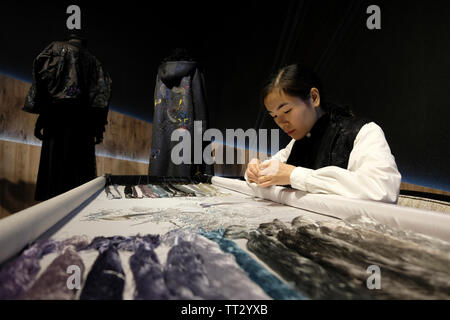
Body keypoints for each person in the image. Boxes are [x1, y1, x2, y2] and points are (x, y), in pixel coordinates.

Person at [245, 64, 401, 203]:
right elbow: (271, 170)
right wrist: (255, 171)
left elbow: (383, 189)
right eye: (274, 116)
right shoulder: (297, 141)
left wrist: (294, 175)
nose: (281, 122)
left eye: (287, 110)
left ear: (313, 98)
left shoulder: (363, 131)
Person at [23, 31, 112, 201]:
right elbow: (101, 98)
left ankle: (50, 211)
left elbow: (42, 83)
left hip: (55, 118)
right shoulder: (94, 61)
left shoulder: (54, 49)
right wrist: (99, 128)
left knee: (53, 171)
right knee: (78, 175)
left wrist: (40, 119)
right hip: (83, 124)